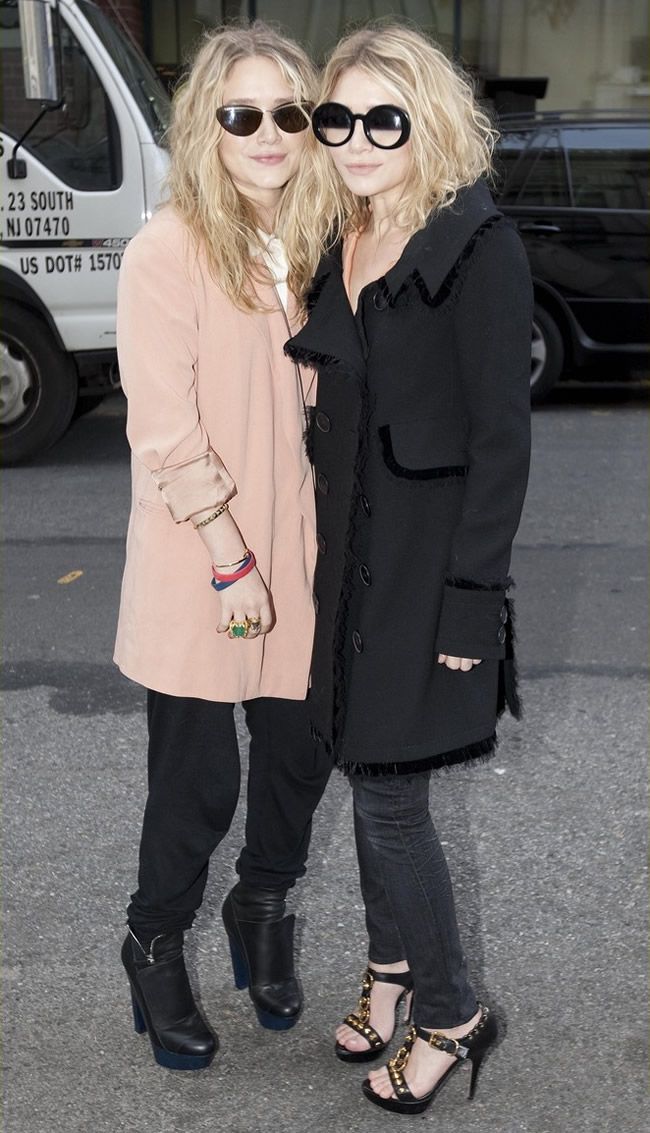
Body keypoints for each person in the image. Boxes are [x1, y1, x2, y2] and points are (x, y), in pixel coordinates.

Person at [285, 24, 532, 1116]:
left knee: (390, 796)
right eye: (336, 118)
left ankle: (450, 1011)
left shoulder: (476, 247)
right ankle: (389, 966)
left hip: (429, 577)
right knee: (360, 764)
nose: (355, 140)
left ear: (425, 119)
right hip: (347, 567)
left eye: (381, 119)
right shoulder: (341, 229)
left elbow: (501, 446)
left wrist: (473, 608)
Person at [114, 23, 332, 1071]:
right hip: (207, 560)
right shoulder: (168, 248)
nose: (268, 133)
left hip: (299, 552)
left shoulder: (317, 243)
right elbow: (163, 428)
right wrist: (228, 555)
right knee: (197, 782)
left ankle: (262, 904)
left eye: (289, 111)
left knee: (297, 757)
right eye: (243, 113)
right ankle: (153, 942)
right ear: (206, 124)